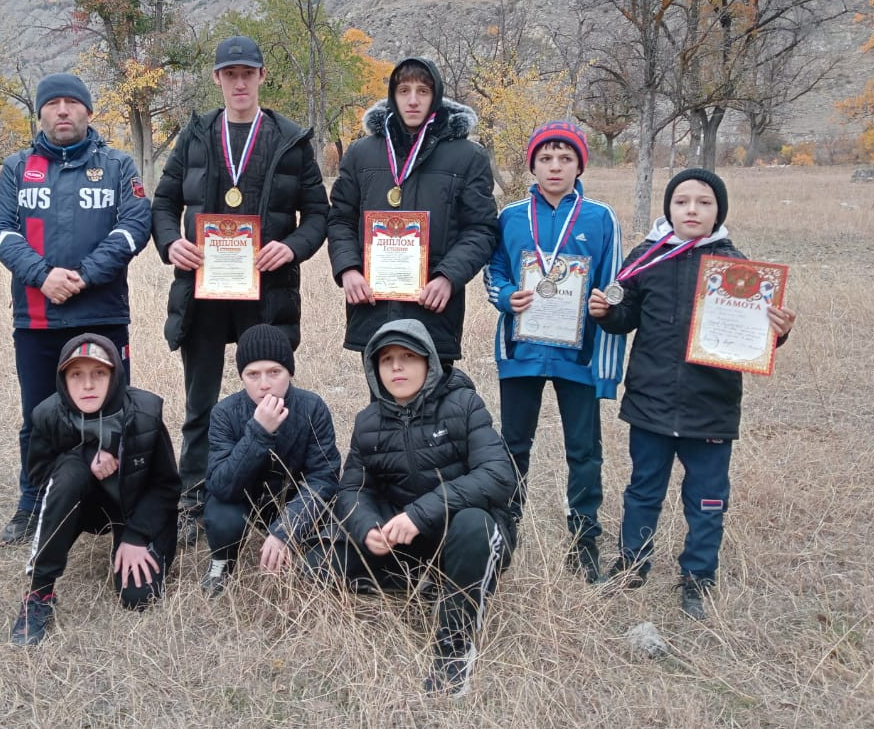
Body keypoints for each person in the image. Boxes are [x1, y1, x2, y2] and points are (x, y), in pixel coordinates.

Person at [590, 168, 797, 620]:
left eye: (704, 202)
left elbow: (750, 336)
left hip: (710, 408)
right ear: (668, 208)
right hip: (651, 401)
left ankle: (698, 576)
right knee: (643, 489)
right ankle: (632, 563)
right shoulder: (646, 257)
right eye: (682, 201)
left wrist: (775, 334)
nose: (691, 209)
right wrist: (607, 312)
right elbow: (626, 316)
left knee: (706, 499)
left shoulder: (737, 267)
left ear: (718, 210)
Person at [151, 35, 329, 537]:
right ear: (217, 79)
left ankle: (272, 496)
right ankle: (193, 502)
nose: (239, 82)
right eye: (230, 74)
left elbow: (318, 214)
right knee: (200, 404)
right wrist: (170, 245)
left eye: (247, 73)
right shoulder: (194, 136)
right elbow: (163, 205)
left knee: (269, 397)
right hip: (203, 296)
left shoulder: (290, 139)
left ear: (262, 76)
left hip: (264, 294)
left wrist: (291, 247)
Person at [0, 73, 152, 546]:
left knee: (114, 411)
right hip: (37, 318)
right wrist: (42, 275)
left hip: (101, 314)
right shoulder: (17, 168)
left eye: (71, 103)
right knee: (37, 414)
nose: (63, 111)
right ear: (39, 114)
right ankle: (32, 500)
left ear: (88, 112)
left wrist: (84, 274)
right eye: (53, 104)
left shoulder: (118, 165)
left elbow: (135, 226)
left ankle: (118, 499)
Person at [312, 318, 517, 696]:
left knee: (474, 525)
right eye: (386, 359)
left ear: (429, 362)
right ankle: (424, 581)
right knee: (317, 564)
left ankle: (454, 649)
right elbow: (352, 490)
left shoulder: (465, 403)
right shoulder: (368, 422)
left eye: (408, 356)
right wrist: (367, 527)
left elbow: (500, 476)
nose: (396, 367)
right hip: (406, 541)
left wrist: (421, 513)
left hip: (466, 533)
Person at [483, 122, 627, 582]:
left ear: (580, 165)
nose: (555, 166)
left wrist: (606, 304)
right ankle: (505, 529)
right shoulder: (510, 217)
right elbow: (495, 271)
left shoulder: (600, 218)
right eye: (546, 158)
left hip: (577, 356)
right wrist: (507, 297)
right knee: (513, 445)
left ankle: (584, 539)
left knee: (584, 450)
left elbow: (616, 285)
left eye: (565, 158)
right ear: (533, 165)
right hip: (521, 350)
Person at [327, 57, 498, 367]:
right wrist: (349, 269)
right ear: (393, 95)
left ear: (437, 95)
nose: (413, 100)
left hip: (432, 307)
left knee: (437, 409)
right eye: (404, 90)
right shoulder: (361, 152)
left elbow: (481, 229)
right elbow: (340, 218)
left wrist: (448, 277)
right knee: (380, 409)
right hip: (373, 305)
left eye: (423, 90)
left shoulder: (468, 156)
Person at [10, 334, 180, 646]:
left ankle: (128, 539)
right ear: (63, 379)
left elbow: (167, 486)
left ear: (115, 375)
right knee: (70, 472)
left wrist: (136, 536)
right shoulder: (48, 414)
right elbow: (39, 477)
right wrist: (85, 457)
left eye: (98, 373)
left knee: (139, 597)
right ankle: (40, 591)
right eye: (77, 375)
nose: (87, 385)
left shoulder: (145, 413)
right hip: (88, 506)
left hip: (136, 510)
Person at [201, 324, 341, 597]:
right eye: (252, 374)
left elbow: (323, 479)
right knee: (222, 514)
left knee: (333, 522)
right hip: (246, 497)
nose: (264, 383)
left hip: (294, 500)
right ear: (242, 376)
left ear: (289, 372)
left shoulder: (312, 408)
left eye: (274, 372)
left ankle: (299, 552)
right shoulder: (225, 413)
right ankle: (221, 560)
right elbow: (220, 484)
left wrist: (285, 529)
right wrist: (258, 432)